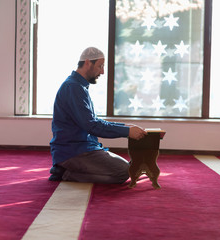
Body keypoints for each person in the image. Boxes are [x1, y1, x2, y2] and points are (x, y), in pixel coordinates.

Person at [49, 47, 147, 184]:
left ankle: (67, 169)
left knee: (127, 168)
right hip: (73, 152)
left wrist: (125, 127)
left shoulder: (78, 86)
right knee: (124, 172)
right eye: (100, 66)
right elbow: (92, 126)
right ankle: (66, 173)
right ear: (88, 63)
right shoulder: (73, 87)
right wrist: (126, 131)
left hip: (84, 148)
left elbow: (92, 121)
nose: (102, 71)